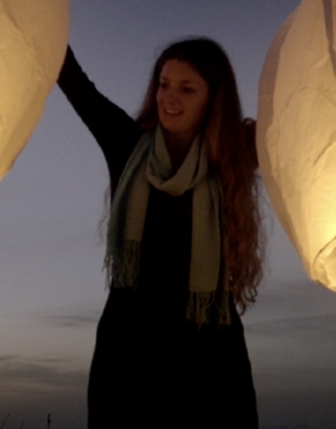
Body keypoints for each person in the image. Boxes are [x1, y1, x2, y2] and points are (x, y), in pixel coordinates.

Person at [57, 39, 263, 429]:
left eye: (187, 89)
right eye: (164, 84)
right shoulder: (126, 142)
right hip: (128, 349)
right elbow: (72, 80)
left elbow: (306, 118)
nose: (170, 98)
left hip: (210, 353)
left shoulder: (238, 150)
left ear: (213, 98)